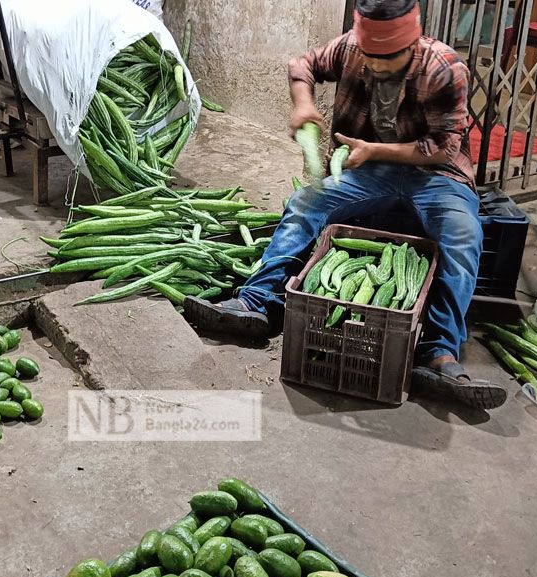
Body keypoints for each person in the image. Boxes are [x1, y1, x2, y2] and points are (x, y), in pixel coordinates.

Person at [186, 0, 505, 409]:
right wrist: (303, 104)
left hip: (435, 175)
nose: (376, 67)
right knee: (305, 204)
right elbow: (301, 65)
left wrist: (374, 149)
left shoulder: (442, 68)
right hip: (366, 167)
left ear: (411, 45)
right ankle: (256, 303)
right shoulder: (352, 47)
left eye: (388, 59)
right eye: (370, 57)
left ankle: (438, 353)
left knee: (463, 235)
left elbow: (442, 148)